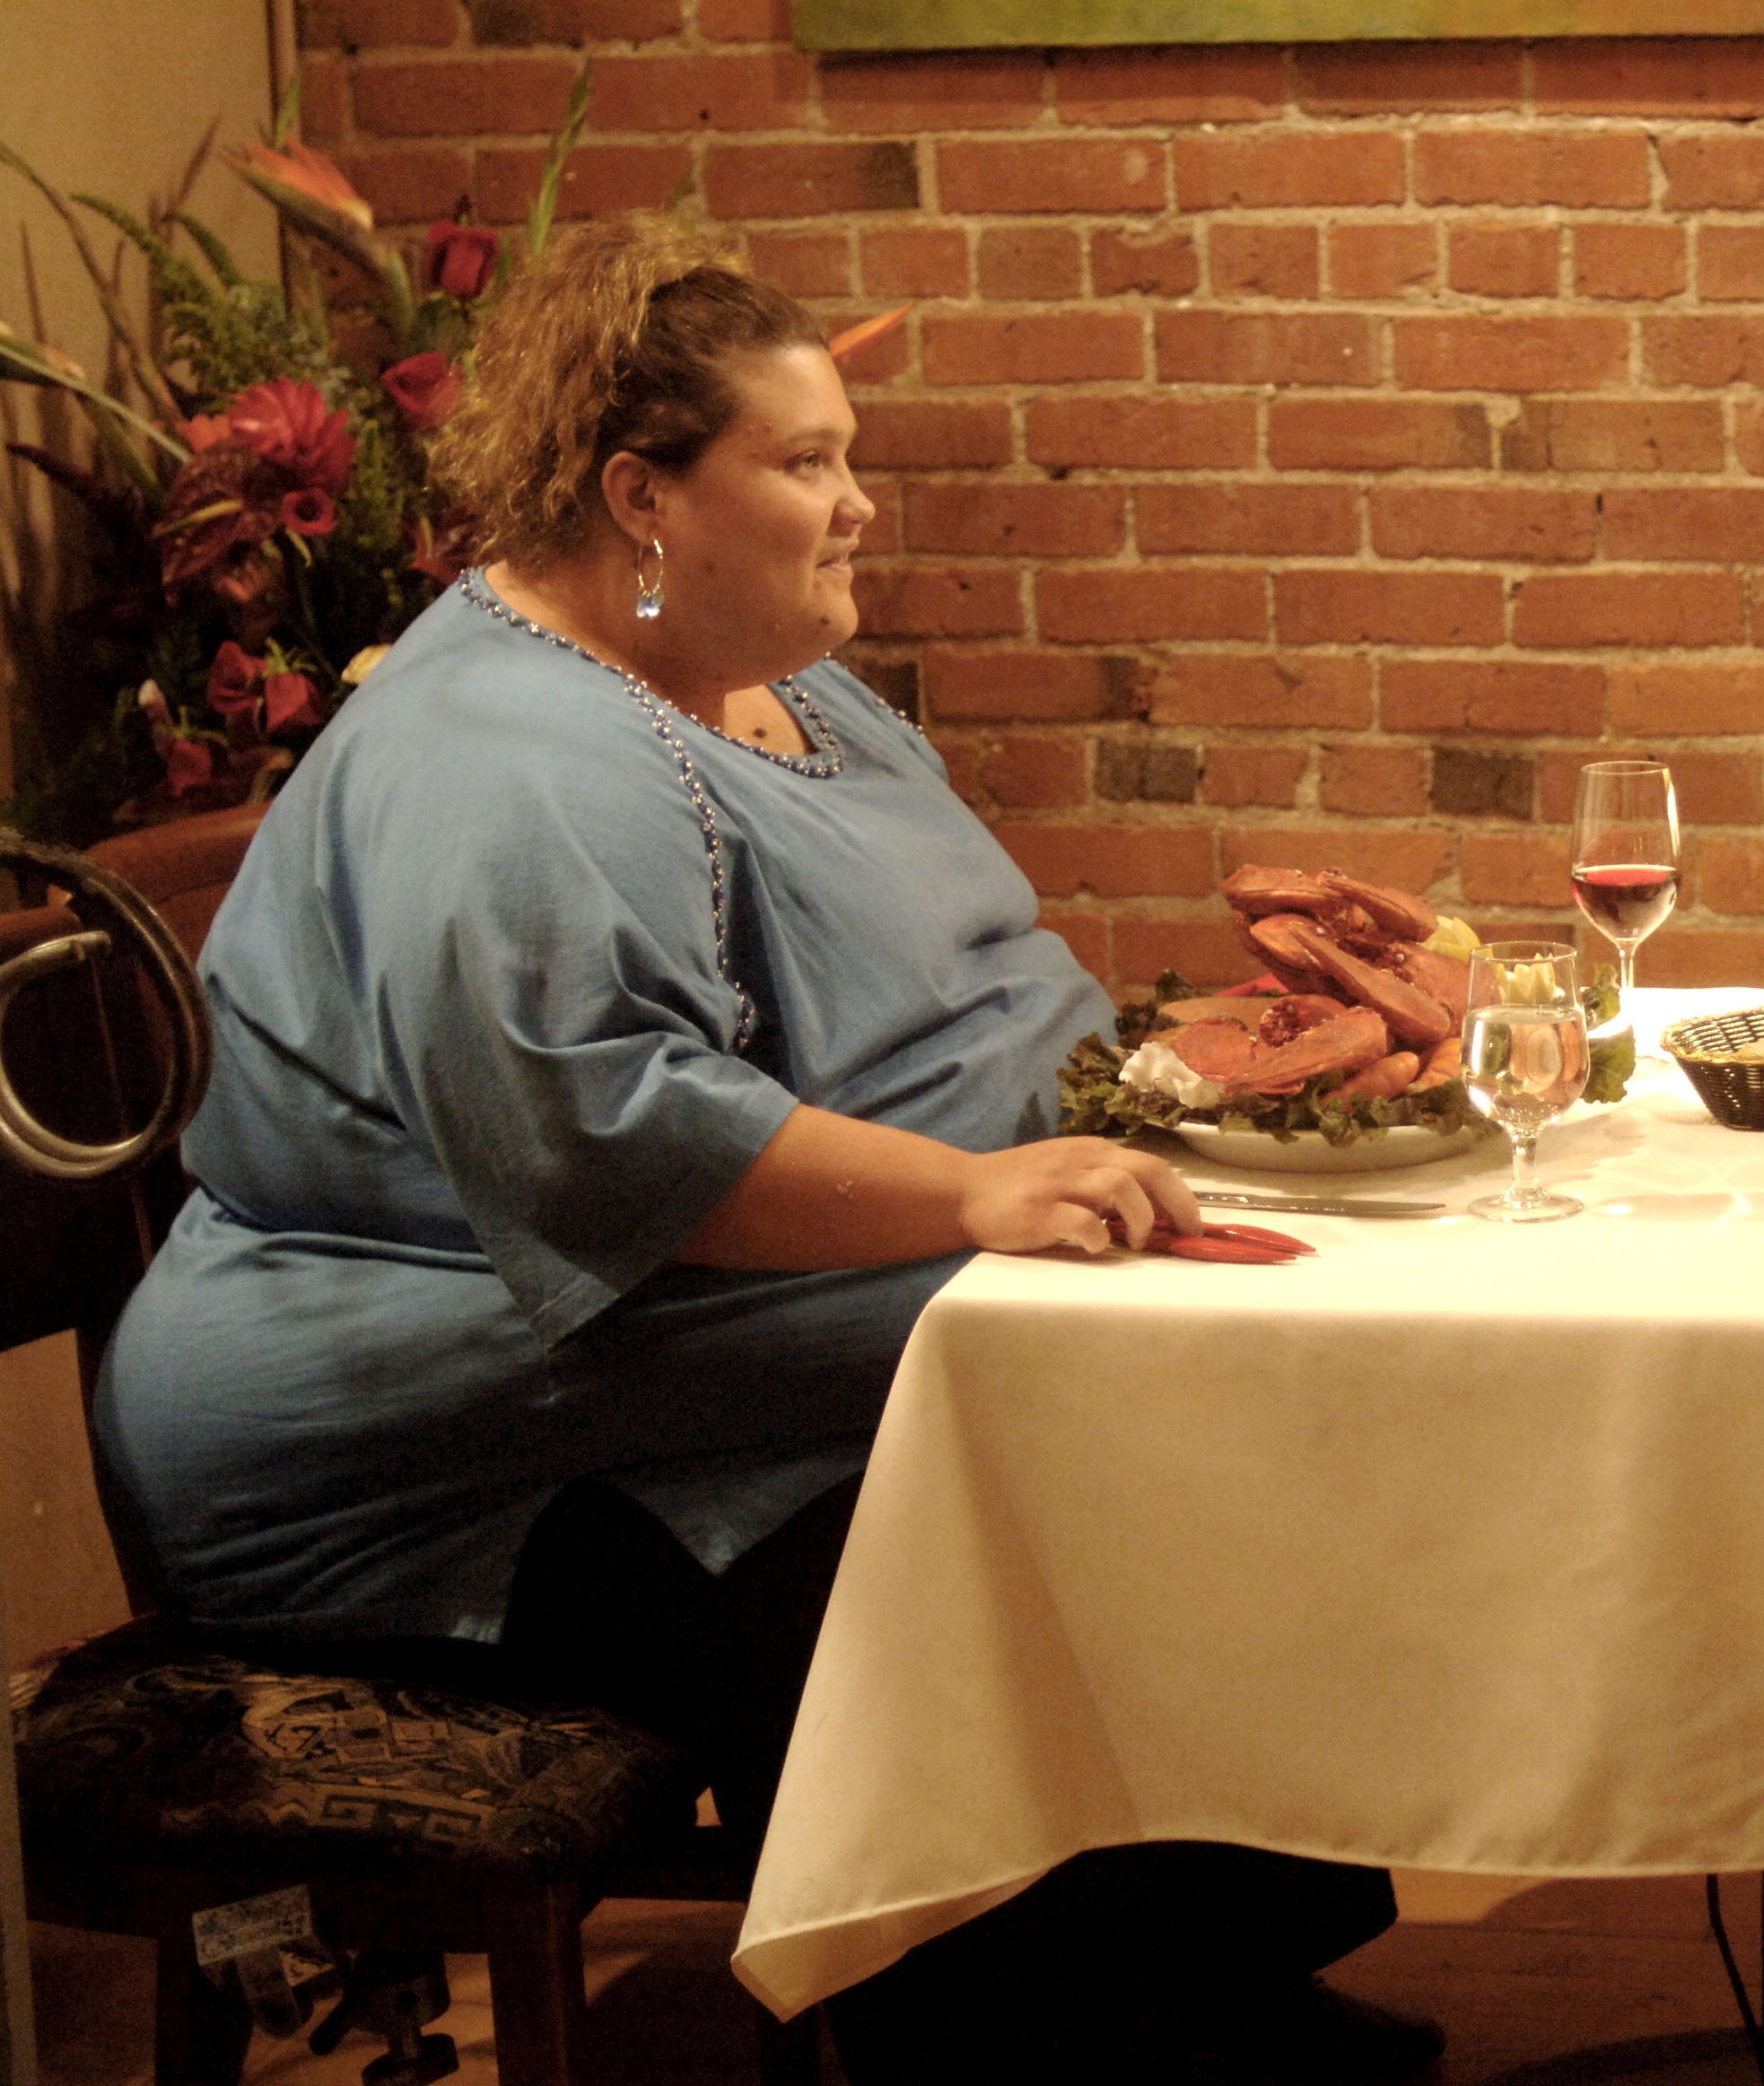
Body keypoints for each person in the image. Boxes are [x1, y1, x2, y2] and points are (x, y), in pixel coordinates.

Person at [100, 215, 1440, 2082]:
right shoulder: (507, 762)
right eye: (807, 462)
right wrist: (977, 1193)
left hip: (680, 1343)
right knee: (978, 1533)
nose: (859, 504)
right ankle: (1048, 2022)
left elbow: (965, 998)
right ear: (642, 494)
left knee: (1155, 1446)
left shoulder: (772, 684)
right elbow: (604, 1144)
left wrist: (1211, 1060)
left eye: (849, 455)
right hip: (438, 1435)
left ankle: (1184, 1991)